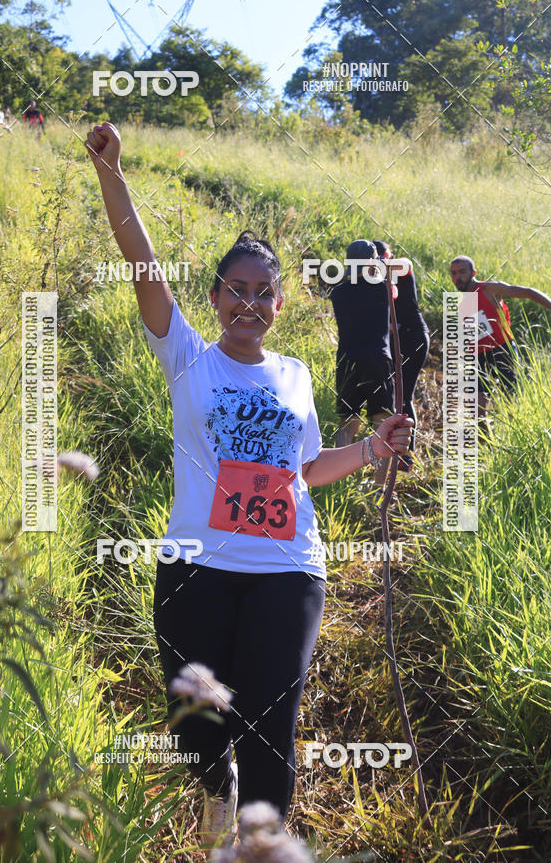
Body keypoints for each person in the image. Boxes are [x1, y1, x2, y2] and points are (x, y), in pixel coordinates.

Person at [84, 122, 414, 849]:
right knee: (199, 730)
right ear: (214, 297)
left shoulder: (293, 374)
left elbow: (305, 470)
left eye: (264, 294)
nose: (250, 304)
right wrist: (114, 176)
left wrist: (370, 446)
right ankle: (216, 787)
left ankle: (260, 844)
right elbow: (141, 265)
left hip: (285, 569)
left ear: (278, 306)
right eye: (237, 291)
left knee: (271, 726)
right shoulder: (186, 357)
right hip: (194, 566)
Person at [450, 255, 551, 422]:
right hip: (480, 357)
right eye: (453, 273)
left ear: (473, 272)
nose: (457, 277)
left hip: (503, 349)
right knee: (477, 409)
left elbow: (528, 292)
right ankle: (486, 445)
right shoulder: (463, 304)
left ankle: (515, 437)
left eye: (462, 272)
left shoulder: (489, 289)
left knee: (511, 403)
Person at [329, 238, 396, 487]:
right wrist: (379, 262)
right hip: (377, 359)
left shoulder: (339, 292)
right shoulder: (382, 287)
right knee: (383, 423)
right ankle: (379, 488)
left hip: (347, 359)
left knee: (347, 423)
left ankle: (341, 484)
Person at [374, 241, 429, 473]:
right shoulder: (374, 280)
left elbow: (405, 265)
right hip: (397, 340)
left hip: (414, 337)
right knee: (397, 394)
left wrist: (380, 262)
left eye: (383, 257)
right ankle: (397, 452)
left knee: (404, 394)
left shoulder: (401, 267)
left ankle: (406, 456)